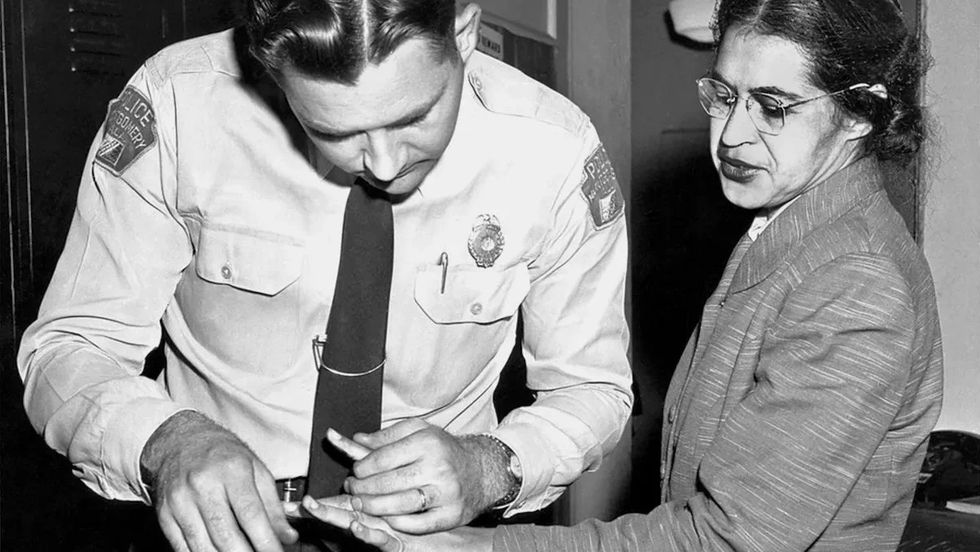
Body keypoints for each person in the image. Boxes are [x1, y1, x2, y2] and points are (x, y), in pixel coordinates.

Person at [302, 0, 945, 550]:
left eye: (773, 107)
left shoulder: (856, 281)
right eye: (724, 96)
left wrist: (468, 545)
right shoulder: (796, 229)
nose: (731, 135)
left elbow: (722, 541)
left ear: (859, 112)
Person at [16, 1, 633, 551]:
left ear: (465, 31)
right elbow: (68, 348)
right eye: (334, 131)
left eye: (415, 116)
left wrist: (491, 466)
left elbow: (595, 388)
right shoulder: (180, 105)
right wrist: (167, 441)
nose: (385, 165)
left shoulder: (553, 152)